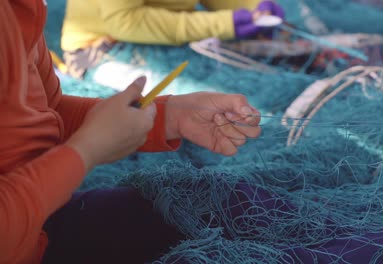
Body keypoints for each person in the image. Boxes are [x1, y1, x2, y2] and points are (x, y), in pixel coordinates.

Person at [0, 1, 261, 263]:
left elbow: (48, 110)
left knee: (230, 204)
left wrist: (171, 115)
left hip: (40, 224)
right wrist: (86, 150)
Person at [60, 0, 285, 79]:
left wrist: (254, 8)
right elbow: (125, 21)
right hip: (97, 51)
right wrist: (226, 23)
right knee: (207, 106)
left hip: (161, 39)